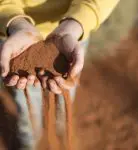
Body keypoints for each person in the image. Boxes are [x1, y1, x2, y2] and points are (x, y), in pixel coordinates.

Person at [0, 0, 120, 149]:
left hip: (71, 35)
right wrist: (15, 22)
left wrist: (75, 24)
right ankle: (29, 141)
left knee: (63, 93)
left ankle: (60, 133)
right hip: (14, 36)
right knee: (25, 105)